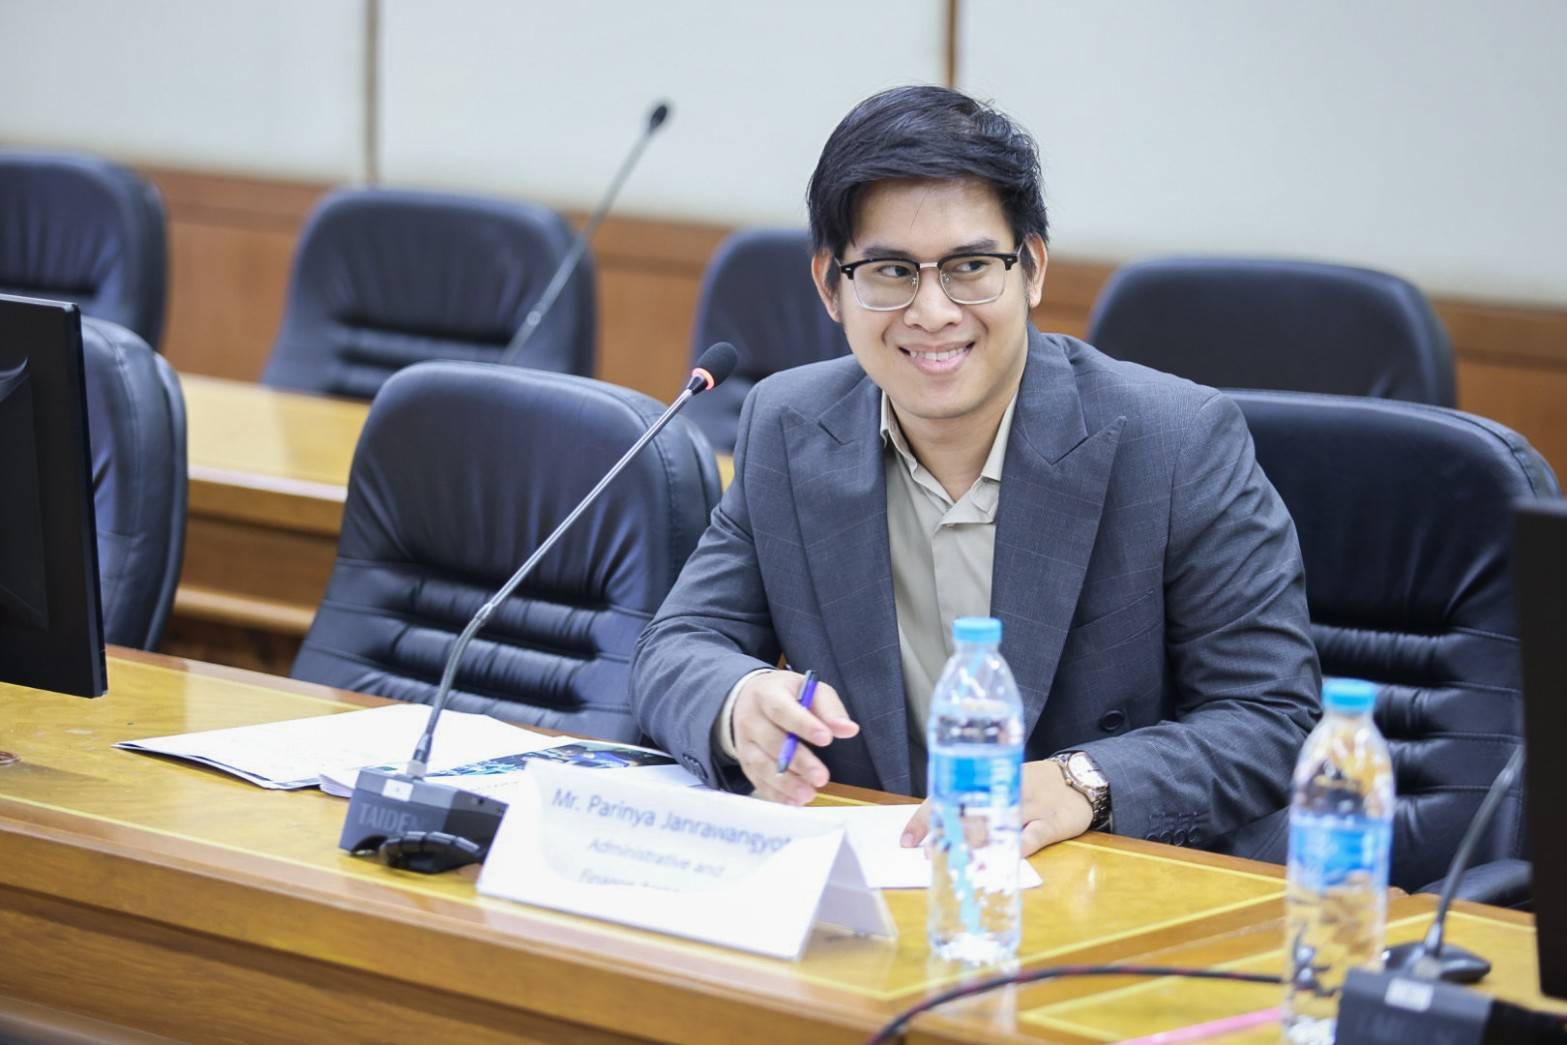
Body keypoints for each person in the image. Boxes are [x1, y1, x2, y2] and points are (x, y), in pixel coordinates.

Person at [631, 85, 1320, 857]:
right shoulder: (788, 426)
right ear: (830, 286)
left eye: (968, 266)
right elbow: (676, 645)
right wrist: (738, 701)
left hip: (1103, 885)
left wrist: (1084, 783)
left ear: (1032, 270)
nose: (932, 311)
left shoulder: (1174, 442)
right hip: (878, 882)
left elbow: (1269, 716)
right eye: (889, 270)